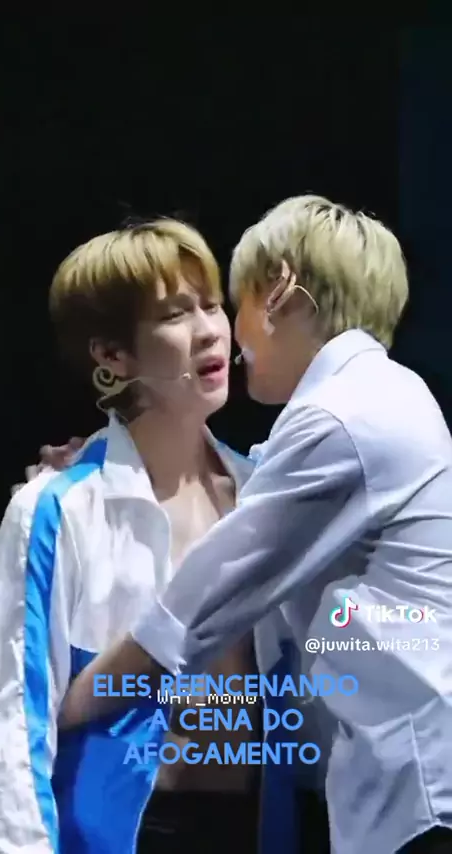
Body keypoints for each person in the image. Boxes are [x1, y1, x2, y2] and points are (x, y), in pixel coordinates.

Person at [56, 195, 452, 854]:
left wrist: (60, 709)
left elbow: (199, 604)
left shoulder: (340, 418)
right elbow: (272, 485)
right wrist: (99, 462)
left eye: (225, 303)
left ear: (279, 292)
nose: (224, 333)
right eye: (182, 312)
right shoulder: (378, 398)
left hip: (414, 798)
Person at [0, 219, 289, 854]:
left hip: (259, 828)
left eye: (211, 305)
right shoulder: (59, 508)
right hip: (124, 835)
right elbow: (10, 721)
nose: (210, 330)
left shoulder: (265, 493)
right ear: (113, 356)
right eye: (175, 314)